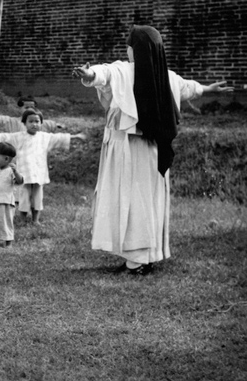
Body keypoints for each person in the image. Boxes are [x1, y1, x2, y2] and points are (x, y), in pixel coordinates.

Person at [72, 25, 232, 275]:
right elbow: (188, 87)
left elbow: (103, 73)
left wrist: (89, 74)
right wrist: (208, 89)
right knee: (145, 200)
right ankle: (145, 256)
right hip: (151, 151)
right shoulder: (165, 75)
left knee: (132, 199)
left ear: (133, 49)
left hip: (127, 149)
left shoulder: (124, 70)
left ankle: (137, 261)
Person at [0, 109, 87, 225]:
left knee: (37, 198)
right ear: (24, 123)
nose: (34, 124)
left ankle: (36, 220)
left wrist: (76, 136)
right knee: (24, 197)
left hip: (39, 173)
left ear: (41, 123)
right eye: (31, 121)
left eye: (37, 121)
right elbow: (6, 137)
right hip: (24, 173)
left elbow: (59, 138)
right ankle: (23, 219)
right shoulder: (19, 136)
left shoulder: (44, 137)